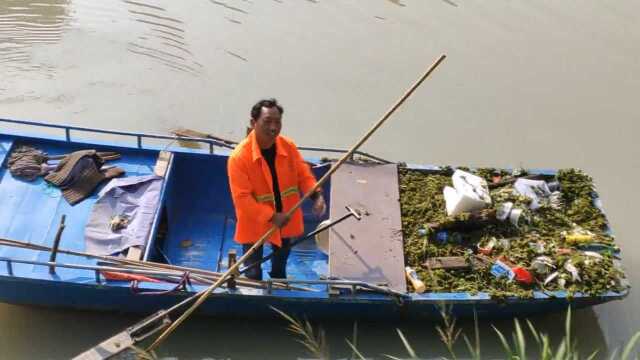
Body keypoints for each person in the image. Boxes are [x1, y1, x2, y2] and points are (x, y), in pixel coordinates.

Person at [227, 98, 326, 280]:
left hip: (284, 220)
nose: (273, 128)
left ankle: (278, 282)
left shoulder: (288, 146)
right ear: (253, 123)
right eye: (267, 122)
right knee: (253, 274)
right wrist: (272, 216)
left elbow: (303, 174)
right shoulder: (239, 158)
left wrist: (317, 195)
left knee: (280, 268)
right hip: (256, 222)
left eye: (277, 122)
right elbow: (243, 200)